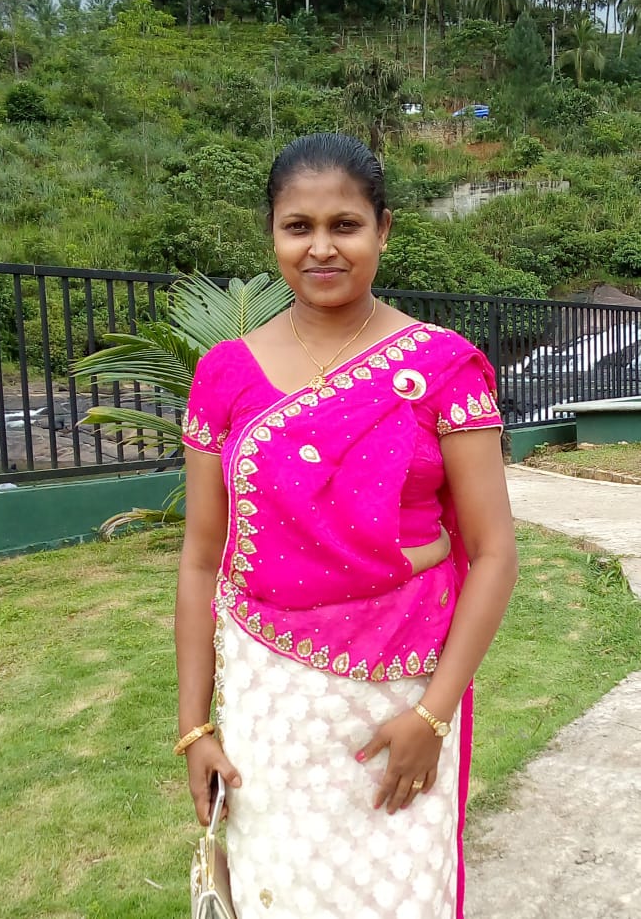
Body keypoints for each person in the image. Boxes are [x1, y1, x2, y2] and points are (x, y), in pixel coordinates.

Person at [174, 133, 518, 919]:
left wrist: (432, 715)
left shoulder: (441, 368)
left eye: (346, 225)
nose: (321, 247)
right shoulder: (226, 374)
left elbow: (494, 553)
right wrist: (195, 729)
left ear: (383, 230)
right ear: (272, 234)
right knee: (280, 892)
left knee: (398, 895)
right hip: (270, 704)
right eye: (298, 226)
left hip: (401, 697)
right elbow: (200, 560)